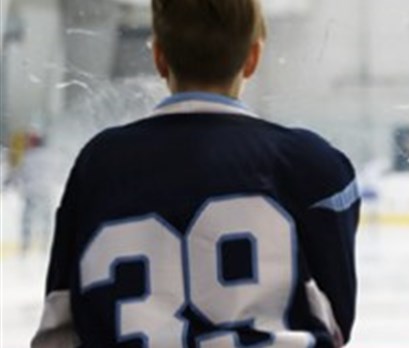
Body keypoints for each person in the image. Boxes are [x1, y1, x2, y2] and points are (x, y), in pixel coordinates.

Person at [31, 1, 360, 347]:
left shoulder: (99, 166)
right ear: (253, 57)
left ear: (158, 57)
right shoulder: (312, 165)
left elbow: (60, 330)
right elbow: (336, 323)